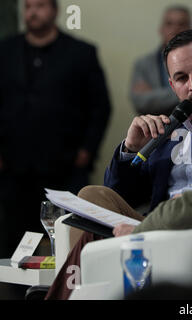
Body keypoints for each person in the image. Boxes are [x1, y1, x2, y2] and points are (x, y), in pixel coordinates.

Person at [45, 29, 192, 300]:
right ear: (172, 85)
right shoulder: (167, 126)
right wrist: (131, 149)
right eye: (181, 78)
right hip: (154, 230)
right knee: (91, 198)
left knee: (90, 237)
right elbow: (122, 196)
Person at [0, 0, 111, 257]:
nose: (32, 12)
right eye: (27, 6)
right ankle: (19, 295)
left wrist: (87, 151)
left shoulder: (81, 52)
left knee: (67, 240)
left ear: (54, 10)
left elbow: (100, 107)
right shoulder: (5, 51)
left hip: (65, 167)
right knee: (16, 241)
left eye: (39, 6)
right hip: (14, 168)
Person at [130, 5, 192, 116]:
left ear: (191, 29)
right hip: (153, 130)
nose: (175, 29)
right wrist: (186, 92)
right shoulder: (143, 64)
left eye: (181, 24)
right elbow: (141, 103)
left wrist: (154, 95)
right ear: (161, 29)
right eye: (169, 24)